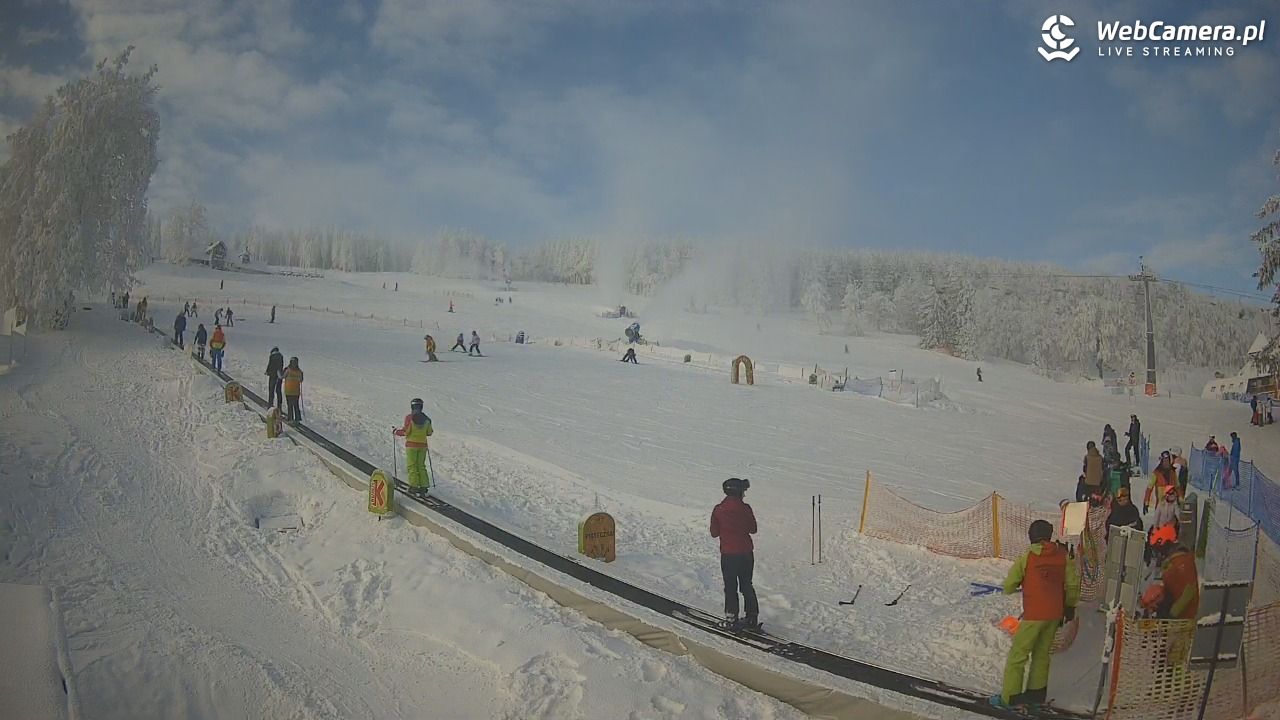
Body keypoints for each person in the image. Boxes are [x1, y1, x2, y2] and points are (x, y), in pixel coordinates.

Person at [990, 520, 1079, 712]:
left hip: (1034, 614)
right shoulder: (1063, 555)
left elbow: (1009, 585)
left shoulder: (1028, 557)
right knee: (1041, 655)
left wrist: (1015, 585)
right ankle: (1035, 695)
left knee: (1018, 656)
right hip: (1054, 614)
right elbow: (1072, 584)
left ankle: (1011, 698)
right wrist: (1070, 606)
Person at [710, 477, 759, 630]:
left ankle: (731, 618)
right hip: (746, 553)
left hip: (729, 555)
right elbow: (753, 529)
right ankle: (752, 617)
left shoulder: (718, 509)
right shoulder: (746, 509)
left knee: (731, 587)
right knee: (746, 585)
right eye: (743, 492)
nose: (744, 494)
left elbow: (714, 532)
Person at [1140, 525, 1200, 623]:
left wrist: (1171, 614)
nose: (1157, 553)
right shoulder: (1171, 560)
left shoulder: (1182, 562)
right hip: (1174, 615)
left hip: (1182, 619)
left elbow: (1189, 591)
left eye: (1158, 548)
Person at [393, 398, 433, 493]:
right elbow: (429, 432)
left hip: (411, 446)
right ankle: (424, 486)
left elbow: (406, 432)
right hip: (422, 446)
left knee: (412, 466)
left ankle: (414, 486)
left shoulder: (409, 418)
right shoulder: (427, 419)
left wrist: (396, 431)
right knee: (421, 465)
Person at [282, 357, 304, 422]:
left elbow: (282, 376)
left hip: (289, 391)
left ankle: (290, 418)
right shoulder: (299, 372)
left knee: (290, 405)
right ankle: (297, 418)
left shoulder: (288, 370)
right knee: (296, 405)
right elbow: (301, 380)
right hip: (296, 392)